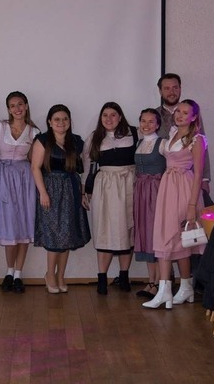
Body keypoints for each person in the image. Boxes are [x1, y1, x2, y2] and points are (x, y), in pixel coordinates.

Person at [142, 100, 206, 310]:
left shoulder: (197, 140)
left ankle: (166, 290)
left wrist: (192, 205)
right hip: (168, 186)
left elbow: (198, 174)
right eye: (178, 111)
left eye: (185, 113)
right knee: (171, 237)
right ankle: (183, 287)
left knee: (172, 236)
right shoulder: (171, 134)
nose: (179, 115)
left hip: (184, 188)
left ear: (193, 117)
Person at [31, 104, 90, 294]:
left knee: (68, 236)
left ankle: (61, 276)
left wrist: (83, 193)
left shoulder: (76, 141)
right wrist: (43, 193)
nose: (61, 122)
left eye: (65, 119)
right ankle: (50, 275)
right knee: (54, 236)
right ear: (49, 122)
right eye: (57, 119)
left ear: (70, 121)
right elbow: (35, 168)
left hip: (71, 190)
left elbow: (83, 169)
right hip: (51, 191)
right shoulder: (42, 140)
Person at [82, 102, 138, 295]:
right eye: (105, 115)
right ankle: (102, 279)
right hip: (105, 187)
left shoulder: (134, 134)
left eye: (113, 115)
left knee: (127, 229)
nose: (109, 119)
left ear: (120, 117)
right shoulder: (94, 138)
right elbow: (87, 167)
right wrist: (85, 191)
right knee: (104, 229)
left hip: (129, 184)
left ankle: (124, 276)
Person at [0, 91, 40, 294]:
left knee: (23, 226)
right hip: (4, 179)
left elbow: (35, 161)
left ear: (26, 105)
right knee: (9, 225)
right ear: (8, 109)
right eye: (12, 106)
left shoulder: (34, 131)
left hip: (24, 180)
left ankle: (18, 274)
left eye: (20, 104)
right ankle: (9, 272)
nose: (17, 109)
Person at [155, 73, 212, 204]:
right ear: (160, 91)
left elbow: (202, 149)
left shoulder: (192, 113)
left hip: (187, 179)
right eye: (167, 88)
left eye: (175, 88)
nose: (171, 92)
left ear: (180, 89)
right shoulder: (154, 115)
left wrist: (204, 179)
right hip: (161, 179)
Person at [133, 108, 166, 298]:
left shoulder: (163, 144)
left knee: (156, 234)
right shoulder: (139, 143)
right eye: (143, 121)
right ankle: (151, 281)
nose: (146, 125)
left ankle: (161, 282)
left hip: (156, 191)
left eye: (151, 121)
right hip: (141, 192)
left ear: (158, 124)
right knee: (145, 233)